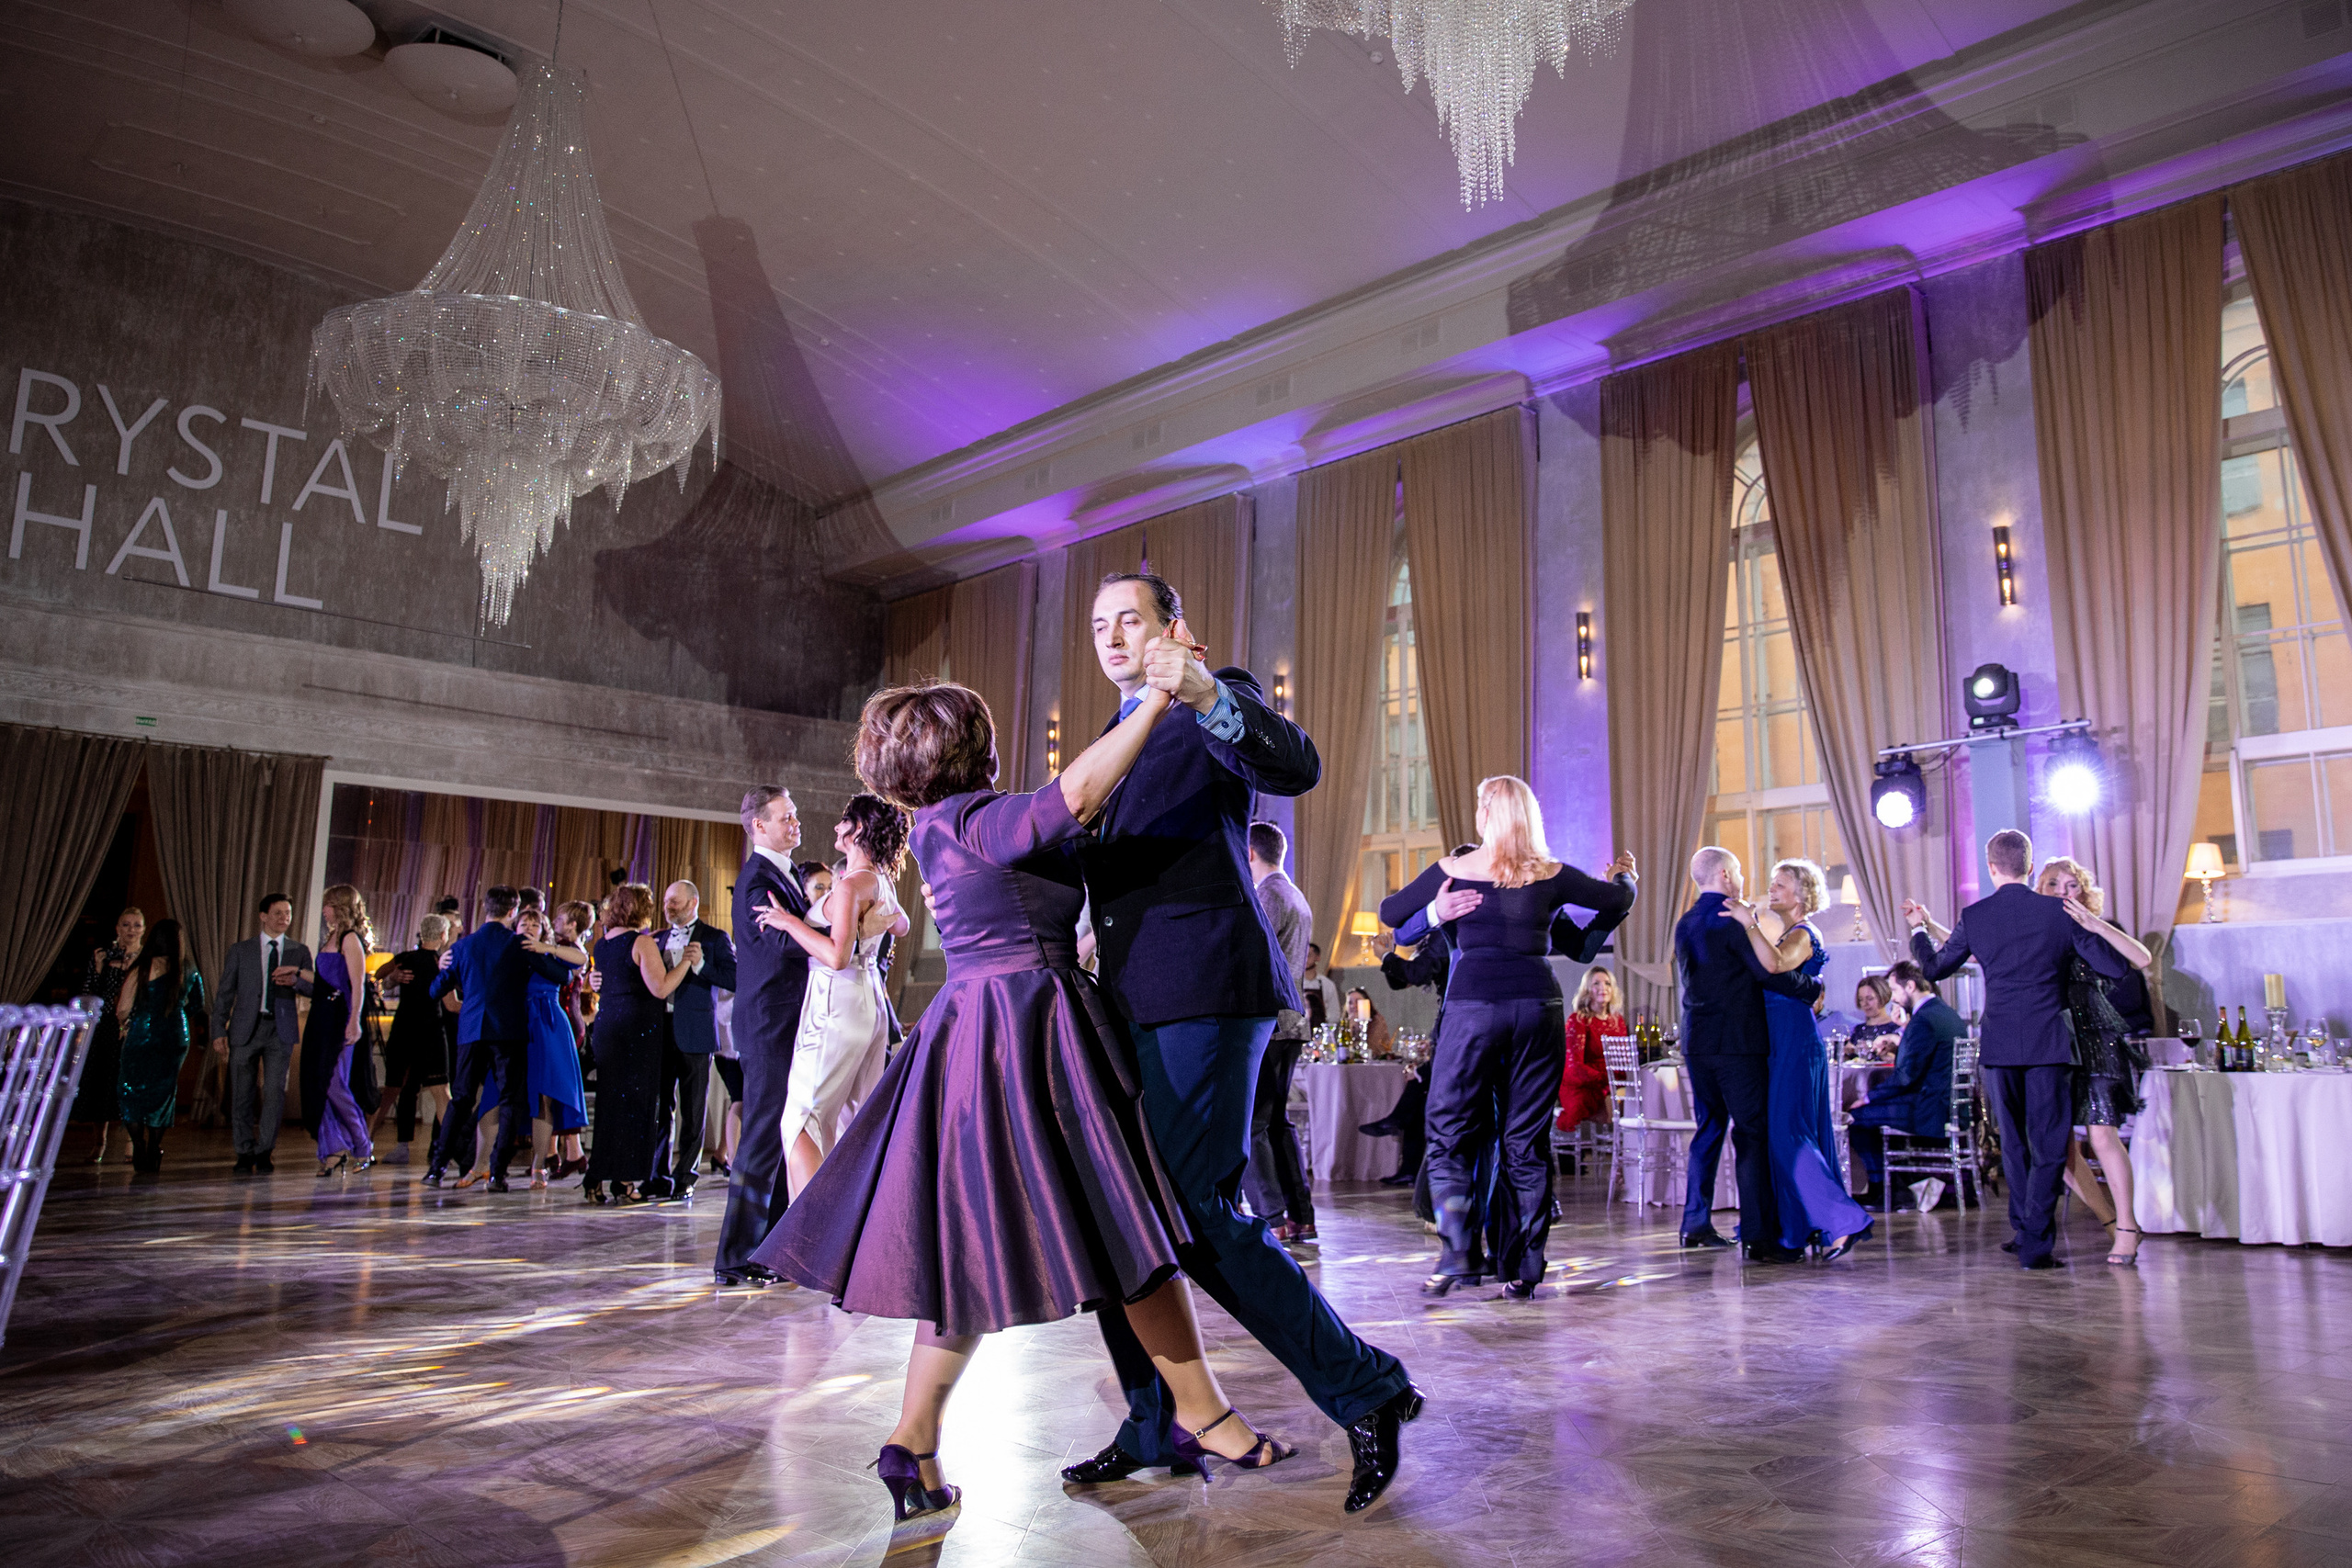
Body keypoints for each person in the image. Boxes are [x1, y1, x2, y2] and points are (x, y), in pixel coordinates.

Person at [757, 678, 1306, 1545]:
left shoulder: (942, 825)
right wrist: (1158, 701)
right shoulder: (976, 817)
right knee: (1125, 1225)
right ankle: (1202, 1413)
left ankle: (913, 1442)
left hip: (988, 1027)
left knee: (977, 1251)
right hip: (1027, 1028)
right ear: (964, 747)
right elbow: (1074, 797)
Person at [1062, 570, 1419, 1516]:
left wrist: (1205, 691)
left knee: (1201, 1208)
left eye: (1129, 618)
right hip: (1131, 1001)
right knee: (1119, 1211)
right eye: (1098, 625)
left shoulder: (1211, 697)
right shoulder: (1112, 732)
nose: (1112, 635)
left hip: (1209, 991)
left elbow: (1293, 763)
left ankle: (1367, 1387)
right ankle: (1154, 1422)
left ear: (1173, 627)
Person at [1380, 776, 1636, 1298]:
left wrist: (1436, 911)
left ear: (1485, 814)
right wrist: (1627, 878)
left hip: (1473, 1008)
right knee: (1525, 1140)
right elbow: (1614, 900)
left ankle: (1458, 1255)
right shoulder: (1551, 874)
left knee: (1448, 1133)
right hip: (1537, 1008)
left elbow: (1390, 914)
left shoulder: (1455, 870)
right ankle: (1524, 1268)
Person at [1905, 830, 2130, 1269]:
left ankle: (2027, 1233)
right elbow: (2114, 967)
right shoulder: (2059, 912)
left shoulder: (1975, 915)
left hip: (2000, 1042)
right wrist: (2092, 927)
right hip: (2050, 1042)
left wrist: (1918, 928)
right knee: (2048, 1145)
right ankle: (2033, 1242)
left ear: (1991, 867)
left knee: (2014, 1145)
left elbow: (1935, 967)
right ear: (2030, 867)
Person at [756, 794, 911, 1201]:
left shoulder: (849, 886)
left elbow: (837, 957)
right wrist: (864, 928)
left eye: (845, 821)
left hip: (835, 1003)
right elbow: (903, 925)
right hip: (869, 1002)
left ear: (859, 830)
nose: (837, 826)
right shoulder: (880, 880)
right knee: (849, 1121)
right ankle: (846, 1220)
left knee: (802, 1117)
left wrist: (790, 923)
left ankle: (810, 1231)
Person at [1674, 847, 1826, 1261]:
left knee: (1708, 1130)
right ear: (1725, 874)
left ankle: (1694, 1224)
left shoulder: (1685, 922)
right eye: (1739, 871)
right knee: (1751, 1135)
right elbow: (1767, 972)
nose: (1743, 879)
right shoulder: (1733, 919)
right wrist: (1812, 988)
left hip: (1697, 1041)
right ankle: (1758, 1237)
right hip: (1737, 1044)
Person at [1721, 859, 1871, 1258]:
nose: (1772, 889)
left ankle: (1843, 1222)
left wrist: (1748, 922)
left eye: (1781, 884)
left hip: (1793, 1040)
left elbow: (1775, 964)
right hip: (1780, 1040)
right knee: (1784, 1133)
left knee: (1787, 1134)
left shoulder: (1805, 933)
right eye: (1772, 883)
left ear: (1802, 894)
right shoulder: (1790, 932)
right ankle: (1795, 1228)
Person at [714, 787, 814, 1287]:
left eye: (794, 815)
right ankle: (735, 1257)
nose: (795, 823)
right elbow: (777, 942)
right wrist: (834, 935)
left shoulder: (783, 873)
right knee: (760, 1136)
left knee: (778, 1132)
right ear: (759, 825)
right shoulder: (757, 878)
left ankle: (767, 1250)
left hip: (784, 1020)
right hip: (768, 1023)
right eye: (785, 817)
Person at [2037, 855, 2156, 1266]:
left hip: (2097, 1040)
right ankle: (2110, 1221)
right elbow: (1978, 950)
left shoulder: (2098, 928)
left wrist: (2094, 924)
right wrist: (1928, 926)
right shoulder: (2038, 932)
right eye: (2054, 885)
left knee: (2102, 1136)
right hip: (2056, 1043)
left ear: (2084, 892)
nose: (2063, 892)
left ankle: (2127, 1226)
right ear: (2040, 891)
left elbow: (2142, 959)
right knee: (2060, 1145)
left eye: (2072, 885)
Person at [426, 885, 581, 1192]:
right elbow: (563, 976)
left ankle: (436, 1169)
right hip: (508, 1032)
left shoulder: (463, 945)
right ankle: (497, 1174)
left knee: (462, 1099)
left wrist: (445, 965)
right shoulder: (518, 944)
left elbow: (434, 990)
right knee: (509, 1100)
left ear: (486, 908)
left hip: (471, 1030)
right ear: (513, 911)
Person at [584, 884, 698, 1204]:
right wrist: (686, 963)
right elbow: (660, 988)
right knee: (634, 1108)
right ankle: (624, 1182)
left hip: (608, 1027)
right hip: (636, 1031)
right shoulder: (642, 942)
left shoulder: (603, 943)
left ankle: (595, 1177)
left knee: (610, 1105)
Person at [1242, 820, 1318, 1245]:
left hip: (1270, 1022)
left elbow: (1252, 952)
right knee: (1276, 1123)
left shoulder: (1268, 894)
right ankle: (1302, 1215)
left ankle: (1272, 1217)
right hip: (1292, 1022)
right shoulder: (1295, 894)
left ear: (1250, 852)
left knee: (1253, 1124)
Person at [644, 880, 738, 1201]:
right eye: (666, 901)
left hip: (696, 1032)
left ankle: (685, 1177)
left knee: (694, 1110)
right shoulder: (656, 939)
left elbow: (735, 979)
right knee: (660, 1108)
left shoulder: (714, 938)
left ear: (693, 902)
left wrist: (701, 966)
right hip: (659, 1032)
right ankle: (656, 1176)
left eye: (675, 901)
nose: (668, 906)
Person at [1847, 961, 1962, 1208]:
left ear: (1910, 986)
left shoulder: (1924, 1019)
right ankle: (1895, 1185)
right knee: (1871, 1112)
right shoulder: (1944, 1012)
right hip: (1945, 1102)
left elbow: (1906, 1076)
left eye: (1895, 991)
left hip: (1931, 1107)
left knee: (1855, 1117)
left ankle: (1884, 1189)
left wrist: (1867, 1098)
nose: (1894, 999)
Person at [210, 893, 311, 1176]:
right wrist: (218, 1029)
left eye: (288, 913)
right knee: (241, 1092)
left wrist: (296, 980)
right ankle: (243, 1151)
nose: (284, 918)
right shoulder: (241, 950)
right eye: (278, 913)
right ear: (263, 916)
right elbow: (225, 992)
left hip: (280, 1029)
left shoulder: (298, 950)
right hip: (245, 1028)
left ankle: (265, 1150)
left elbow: (313, 988)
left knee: (274, 1091)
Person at [114, 918, 205, 1174]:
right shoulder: (188, 969)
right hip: (175, 1036)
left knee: (131, 1090)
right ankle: (155, 1146)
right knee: (164, 1094)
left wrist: (125, 1024)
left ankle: (138, 1144)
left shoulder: (142, 968)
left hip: (142, 1034)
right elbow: (197, 1004)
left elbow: (123, 1009)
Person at [300, 884, 379, 1177]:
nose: (324, 910)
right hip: (321, 1017)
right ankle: (333, 1150)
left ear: (341, 907)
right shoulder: (331, 936)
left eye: (328, 904)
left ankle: (363, 1145)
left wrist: (354, 1021)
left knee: (335, 1084)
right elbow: (327, 981)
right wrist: (297, 974)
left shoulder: (350, 939)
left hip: (340, 1018)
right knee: (320, 1082)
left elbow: (357, 986)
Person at [374, 914, 455, 1168]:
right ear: (442, 935)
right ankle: (450, 1152)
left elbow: (378, 974)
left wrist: (392, 978)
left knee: (394, 1090)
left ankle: (367, 1146)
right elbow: (451, 1004)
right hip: (431, 1032)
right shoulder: (440, 964)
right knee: (441, 1092)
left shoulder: (406, 957)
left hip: (403, 1029)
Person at [518, 904, 591, 1188]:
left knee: (553, 1087)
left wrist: (545, 948)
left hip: (557, 1023)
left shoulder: (561, 949)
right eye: (524, 924)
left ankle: (554, 1155)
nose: (529, 929)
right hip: (537, 1022)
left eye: (559, 918)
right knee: (543, 1089)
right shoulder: (531, 948)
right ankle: (558, 1154)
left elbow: (576, 965)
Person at [72, 906, 144, 1163]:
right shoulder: (104, 955)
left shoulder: (148, 958)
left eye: (136, 925)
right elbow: (89, 993)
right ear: (117, 928)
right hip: (105, 1027)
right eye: (126, 924)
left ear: (143, 930)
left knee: (131, 1082)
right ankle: (99, 1143)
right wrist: (100, 967)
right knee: (101, 1082)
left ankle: (132, 1143)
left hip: (135, 1024)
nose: (131, 930)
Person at [1559, 964, 1624, 1135]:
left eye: (1607, 983)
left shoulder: (1617, 1021)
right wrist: (1604, 1079)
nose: (1603, 987)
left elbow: (1622, 1059)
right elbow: (1574, 1067)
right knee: (1585, 1103)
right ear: (1587, 989)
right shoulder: (1578, 1020)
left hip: (1611, 1082)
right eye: (1596, 983)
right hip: (1583, 1083)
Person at [1849, 975, 1905, 1059]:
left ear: (1883, 997)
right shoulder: (1858, 1030)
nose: (1865, 1004)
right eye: (1861, 999)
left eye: (1870, 998)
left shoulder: (1897, 1028)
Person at [1301, 941, 1340, 1032]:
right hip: (1299, 1031)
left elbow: (1334, 1013)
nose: (1305, 958)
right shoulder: (1295, 983)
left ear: (1317, 958)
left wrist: (1326, 1030)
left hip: (1321, 1031)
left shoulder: (1327, 984)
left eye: (1309, 955)